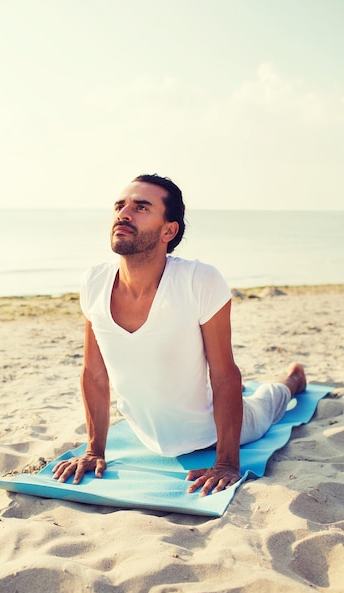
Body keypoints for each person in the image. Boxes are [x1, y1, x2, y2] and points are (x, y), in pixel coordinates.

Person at [53, 174, 306, 496]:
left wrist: (227, 464)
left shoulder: (198, 280)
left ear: (168, 230)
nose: (124, 213)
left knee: (267, 403)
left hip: (212, 432)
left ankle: (293, 381)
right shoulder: (94, 281)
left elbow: (225, 374)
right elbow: (94, 373)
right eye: (120, 205)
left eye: (141, 207)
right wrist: (93, 451)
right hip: (147, 434)